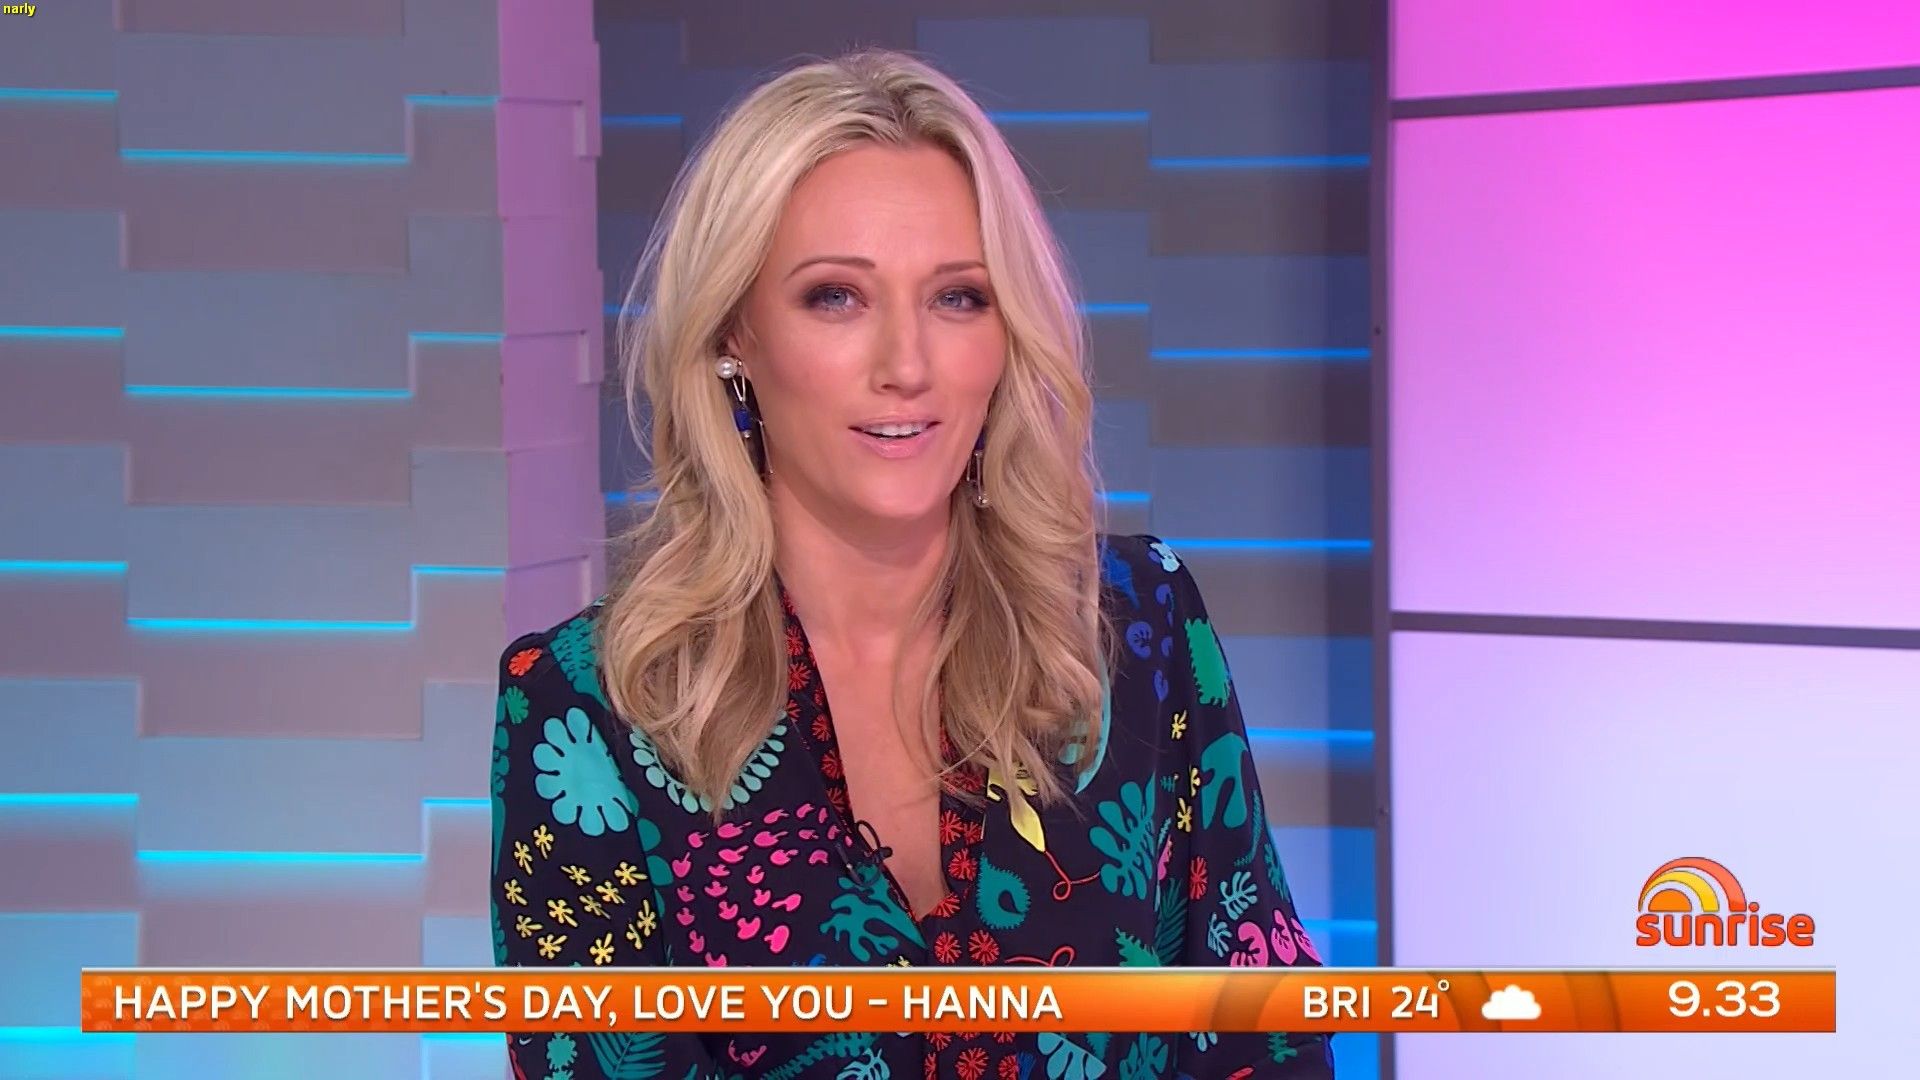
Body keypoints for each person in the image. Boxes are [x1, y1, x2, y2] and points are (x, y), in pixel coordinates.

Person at [491, 48, 1335, 1079]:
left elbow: (1266, 1036)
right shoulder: (588, 709)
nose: (906, 365)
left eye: (959, 298)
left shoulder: (1138, 624)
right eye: (836, 297)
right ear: (732, 336)